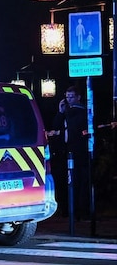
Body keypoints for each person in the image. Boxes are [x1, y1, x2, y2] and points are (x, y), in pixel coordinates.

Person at [49, 86, 91, 220]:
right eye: (67, 96)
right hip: (65, 151)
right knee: (65, 181)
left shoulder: (81, 112)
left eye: (72, 96)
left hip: (79, 152)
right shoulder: (65, 112)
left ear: (78, 97)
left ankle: (79, 210)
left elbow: (74, 129)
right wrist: (60, 113)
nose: (69, 99)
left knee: (79, 181)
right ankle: (67, 209)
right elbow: (56, 126)